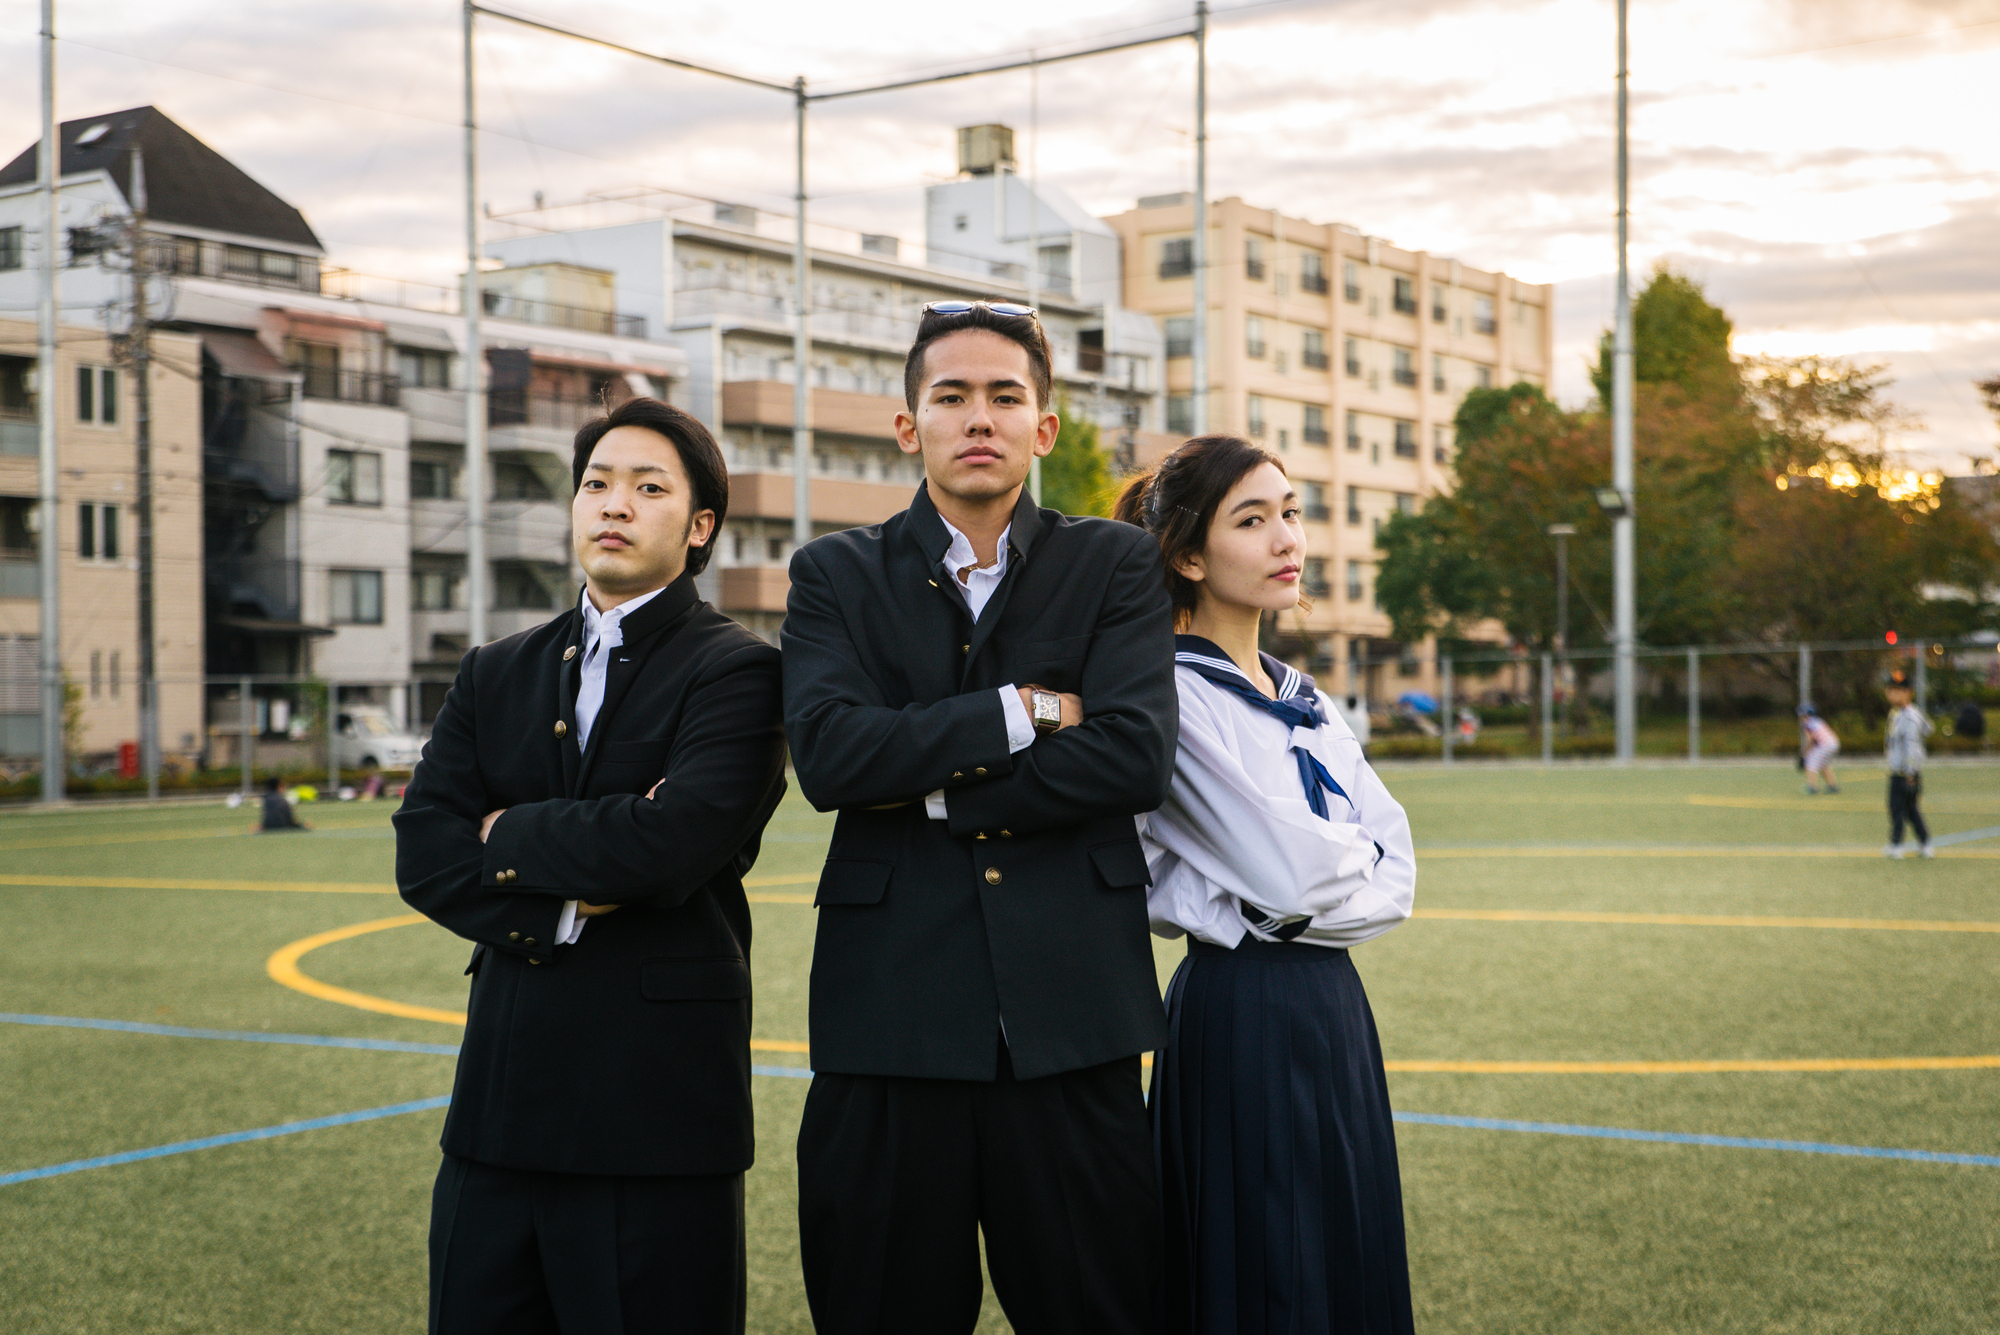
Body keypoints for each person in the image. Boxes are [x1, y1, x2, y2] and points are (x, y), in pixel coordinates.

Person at [782, 299, 1177, 1334]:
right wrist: (1025, 711)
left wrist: (926, 775)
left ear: (1042, 428)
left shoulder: (1112, 564)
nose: (978, 418)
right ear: (906, 425)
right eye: (949, 396)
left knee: (1101, 1308)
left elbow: (1133, 753)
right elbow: (827, 756)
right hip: (887, 1021)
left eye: (1005, 397)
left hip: (1073, 1018)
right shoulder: (833, 572)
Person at [394, 397, 787, 1335]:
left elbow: (672, 843)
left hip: (656, 1118)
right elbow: (423, 850)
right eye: (597, 483)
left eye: (648, 487)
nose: (614, 503)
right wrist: (566, 905)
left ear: (699, 529)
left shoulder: (739, 672)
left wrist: (504, 833)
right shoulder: (496, 668)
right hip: (500, 1109)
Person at [1115, 435, 1417, 1335]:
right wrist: (1324, 876)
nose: (1287, 537)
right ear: (1188, 555)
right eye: (1253, 519)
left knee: (1343, 1249)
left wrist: (1318, 884)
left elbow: (1394, 873)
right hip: (1240, 1009)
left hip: (1332, 1003)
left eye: (1290, 510)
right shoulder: (1167, 695)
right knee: (1260, 1273)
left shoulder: (1308, 696)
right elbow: (1302, 869)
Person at [1883, 670, 1933, 859]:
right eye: (1890, 690)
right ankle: (1925, 843)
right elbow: (1928, 728)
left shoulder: (1909, 716)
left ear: (1907, 693)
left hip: (1905, 773)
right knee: (1910, 809)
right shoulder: (1897, 713)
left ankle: (1896, 845)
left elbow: (1912, 745)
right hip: (1900, 770)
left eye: (1897, 690)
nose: (1892, 694)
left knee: (1897, 807)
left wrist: (1911, 772)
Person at [1797, 704, 1840, 794]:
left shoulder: (1807, 724)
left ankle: (1811, 787)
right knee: (1822, 764)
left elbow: (1810, 740)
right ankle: (1832, 786)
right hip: (1834, 743)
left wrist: (1802, 752)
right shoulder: (1818, 721)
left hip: (1824, 745)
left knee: (1810, 763)